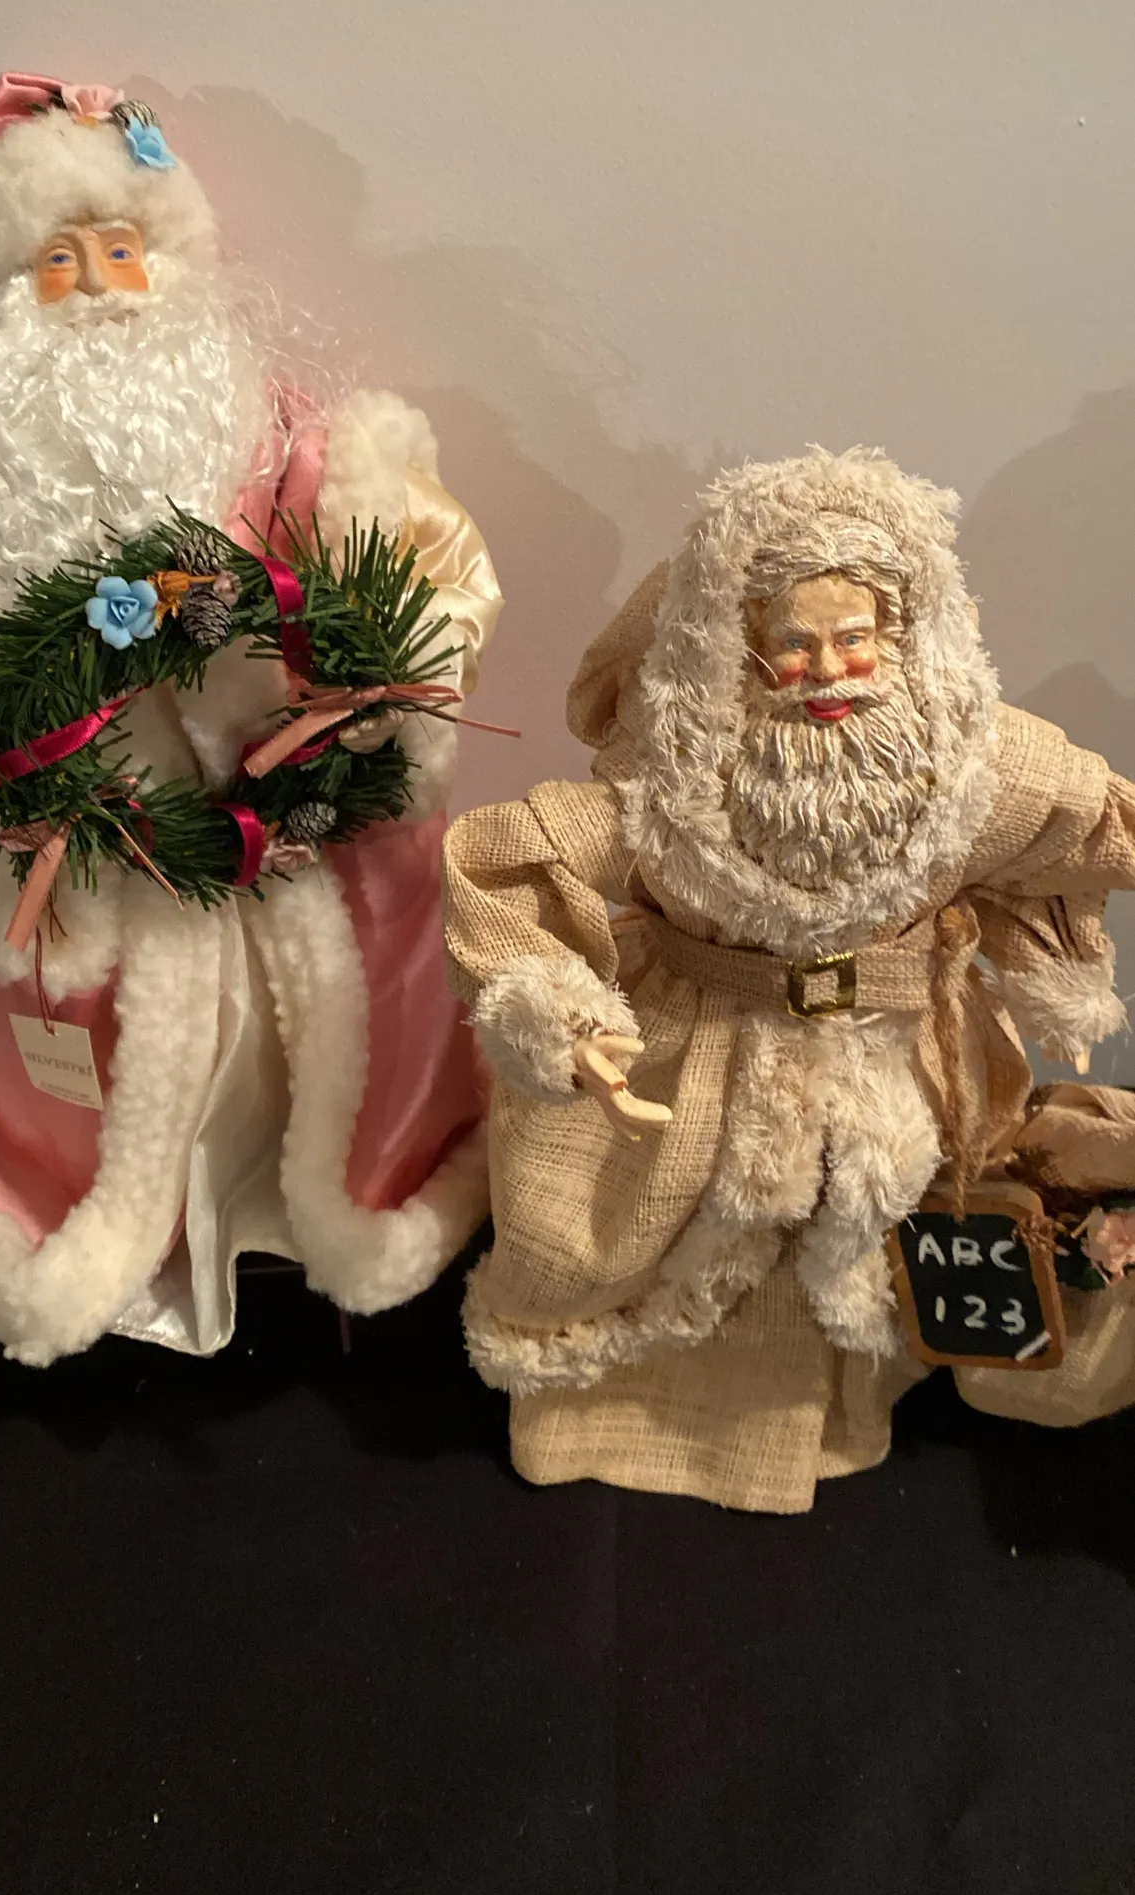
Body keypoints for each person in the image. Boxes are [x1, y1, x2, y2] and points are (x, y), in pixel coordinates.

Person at [0, 73, 501, 1365]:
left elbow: (418, 590)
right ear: (2, 291)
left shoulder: (296, 445)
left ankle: (298, 1209)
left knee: (305, 1061)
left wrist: (357, 675)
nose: (100, 283)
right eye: (59, 258)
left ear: (175, 259)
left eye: (124, 247)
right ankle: (86, 1222)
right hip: (93, 846)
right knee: (92, 1061)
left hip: (288, 830)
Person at [444, 445, 1135, 1510]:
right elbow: (511, 859)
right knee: (602, 1237)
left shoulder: (965, 766)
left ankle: (822, 1419)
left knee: (858, 1228)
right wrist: (564, 1021)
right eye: (792, 646)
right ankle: (614, 1417)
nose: (827, 671)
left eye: (854, 640)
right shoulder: (672, 781)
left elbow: (1085, 817)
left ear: (900, 636)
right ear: (736, 647)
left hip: (891, 1052)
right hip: (693, 1046)